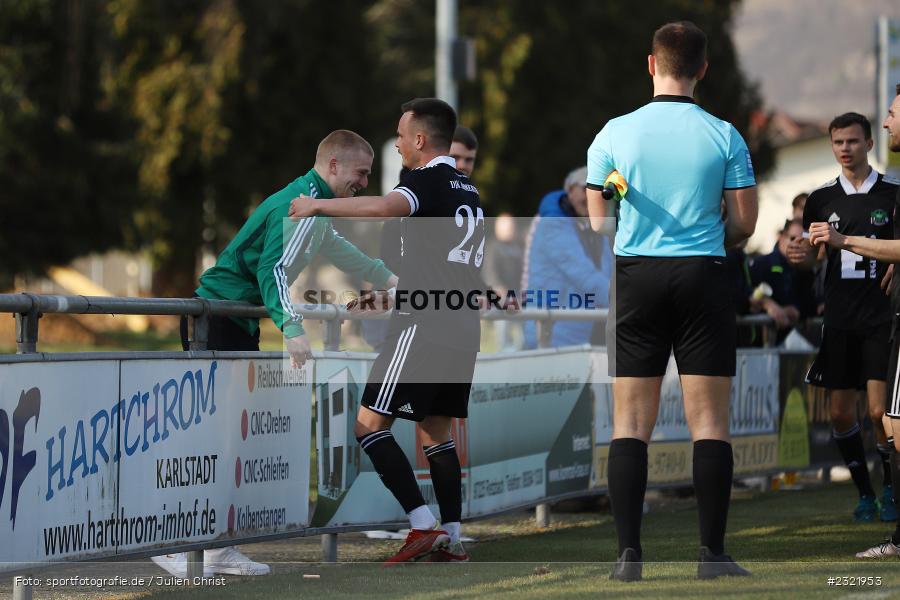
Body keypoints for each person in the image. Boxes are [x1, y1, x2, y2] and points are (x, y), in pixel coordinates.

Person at [152, 130, 397, 578]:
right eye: (361, 173)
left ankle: (216, 549)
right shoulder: (300, 205)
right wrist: (292, 327)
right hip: (215, 319)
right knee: (211, 439)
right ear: (334, 165)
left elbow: (339, 251)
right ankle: (171, 547)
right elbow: (275, 269)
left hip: (233, 321)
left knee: (231, 441)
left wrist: (389, 278)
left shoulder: (314, 207)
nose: (364, 183)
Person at [586, 21, 758, 581]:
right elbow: (745, 224)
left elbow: (598, 222)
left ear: (651, 64)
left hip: (636, 276)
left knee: (630, 422)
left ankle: (628, 557)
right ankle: (712, 555)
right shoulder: (725, 135)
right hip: (703, 273)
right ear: (703, 69)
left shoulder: (613, 132)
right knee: (709, 421)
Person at [290, 98, 484, 564]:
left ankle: (421, 524)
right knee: (437, 433)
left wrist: (317, 205)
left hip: (424, 327)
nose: (396, 144)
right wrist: (393, 295)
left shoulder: (424, 180)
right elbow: (443, 269)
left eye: (400, 135)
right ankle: (453, 537)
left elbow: (382, 207)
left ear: (419, 138)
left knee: (368, 426)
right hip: (462, 328)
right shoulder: (468, 189)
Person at [790, 112, 898, 523]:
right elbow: (814, 257)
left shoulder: (892, 192)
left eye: (853, 141)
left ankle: (890, 487)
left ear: (869, 144)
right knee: (839, 413)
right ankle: (865, 493)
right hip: (839, 318)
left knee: (879, 413)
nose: (845, 148)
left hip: (881, 316)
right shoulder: (821, 199)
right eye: (838, 142)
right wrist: (800, 257)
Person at [522, 166, 612, 348]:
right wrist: (628, 305)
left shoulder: (593, 226)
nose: (592, 197)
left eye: (599, 192)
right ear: (570, 190)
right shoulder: (552, 225)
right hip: (553, 333)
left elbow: (609, 272)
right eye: (586, 189)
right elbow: (584, 275)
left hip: (584, 332)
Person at [749, 218, 815, 344]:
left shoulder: (806, 271)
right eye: (792, 238)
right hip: (760, 343)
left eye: (803, 240)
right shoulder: (762, 264)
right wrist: (769, 305)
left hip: (791, 341)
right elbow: (747, 295)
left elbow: (810, 307)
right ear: (781, 237)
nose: (797, 244)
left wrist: (797, 311)